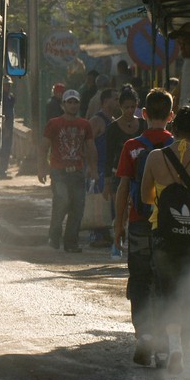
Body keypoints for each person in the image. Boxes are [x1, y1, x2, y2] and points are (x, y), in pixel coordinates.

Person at [140, 97, 190, 380]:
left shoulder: (155, 157)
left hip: (164, 237)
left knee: (169, 294)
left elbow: (146, 197)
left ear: (173, 126)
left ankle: (174, 349)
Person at [113, 87, 175, 368]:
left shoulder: (132, 146)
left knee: (139, 281)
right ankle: (164, 346)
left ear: (144, 114)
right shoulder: (179, 145)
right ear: (171, 116)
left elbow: (124, 187)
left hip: (139, 223)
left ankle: (144, 337)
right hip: (171, 228)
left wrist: (118, 223)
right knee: (165, 282)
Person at [38, 89, 98, 253]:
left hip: (77, 172)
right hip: (58, 172)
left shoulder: (84, 124)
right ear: (63, 104)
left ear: (79, 104)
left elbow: (91, 147)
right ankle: (54, 236)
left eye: (75, 102)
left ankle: (71, 242)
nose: (72, 105)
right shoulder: (54, 123)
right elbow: (44, 147)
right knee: (62, 201)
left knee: (77, 207)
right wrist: (42, 168)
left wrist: (94, 169)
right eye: (69, 102)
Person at [103, 86, 145, 257]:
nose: (129, 110)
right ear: (120, 107)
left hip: (140, 176)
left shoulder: (143, 124)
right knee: (120, 211)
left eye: (132, 106)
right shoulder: (113, 128)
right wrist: (106, 181)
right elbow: (109, 155)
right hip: (118, 175)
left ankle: (134, 243)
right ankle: (117, 243)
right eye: (126, 107)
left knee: (136, 210)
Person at [87, 88, 118, 248]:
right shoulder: (96, 120)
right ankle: (96, 236)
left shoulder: (113, 119)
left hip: (109, 169)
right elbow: (87, 144)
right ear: (106, 101)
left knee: (110, 204)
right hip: (98, 168)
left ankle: (105, 233)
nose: (117, 101)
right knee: (98, 203)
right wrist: (92, 169)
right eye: (115, 98)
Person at [0, 76, 16, 179]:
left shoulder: (11, 97)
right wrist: (5, 128)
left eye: (9, 85)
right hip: (4, 127)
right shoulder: (2, 97)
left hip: (10, 126)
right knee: (3, 149)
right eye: (6, 85)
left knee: (7, 149)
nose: (8, 87)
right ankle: (1, 171)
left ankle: (4, 170)